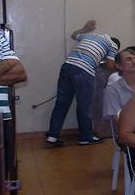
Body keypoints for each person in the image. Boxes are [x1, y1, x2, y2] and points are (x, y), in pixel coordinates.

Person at [46, 19, 118, 147]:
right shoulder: (112, 45)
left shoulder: (92, 35)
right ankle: (86, 137)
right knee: (84, 106)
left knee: (61, 104)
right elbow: (110, 65)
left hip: (67, 66)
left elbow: (74, 35)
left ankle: (53, 136)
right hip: (84, 71)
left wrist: (85, 28)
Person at [105, 51, 135, 195]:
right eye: (129, 59)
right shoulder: (113, 90)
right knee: (133, 143)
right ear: (119, 66)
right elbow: (115, 118)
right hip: (127, 131)